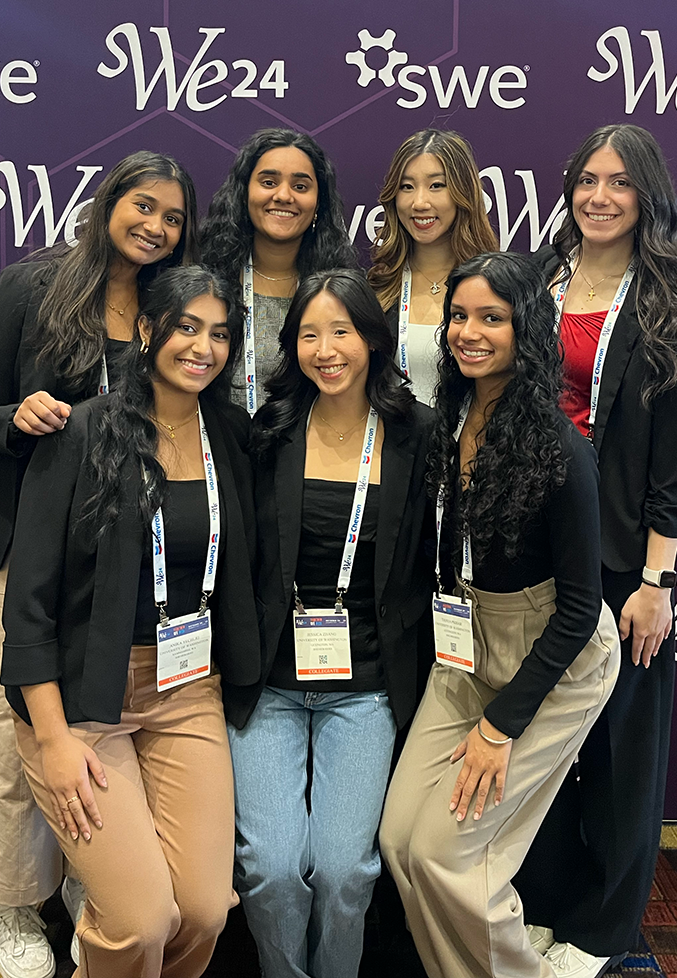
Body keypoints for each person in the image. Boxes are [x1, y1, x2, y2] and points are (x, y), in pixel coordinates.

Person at [0, 151, 196, 978]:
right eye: (143, 205)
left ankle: (88, 875)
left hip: (120, 560)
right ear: (109, 201)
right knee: (12, 728)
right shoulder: (33, 286)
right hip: (23, 547)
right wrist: (17, 418)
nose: (156, 226)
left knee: (88, 726)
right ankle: (14, 906)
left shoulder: (171, 304)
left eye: (172, 216)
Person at [0, 266, 259, 978]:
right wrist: (53, 737)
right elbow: (27, 603)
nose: (202, 346)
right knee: (142, 917)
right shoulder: (81, 430)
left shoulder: (230, 433)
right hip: (83, 699)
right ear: (147, 330)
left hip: (187, 688)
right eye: (185, 326)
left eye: (218, 333)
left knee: (206, 908)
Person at [380, 252, 620, 978]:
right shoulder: (446, 421)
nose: (469, 332)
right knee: (400, 841)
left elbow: (580, 608)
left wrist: (499, 726)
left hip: (555, 659)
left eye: (493, 318)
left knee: (451, 856)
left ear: (527, 329)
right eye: (458, 315)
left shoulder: (559, 446)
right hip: (465, 649)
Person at [513, 125, 677, 978]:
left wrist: (656, 580)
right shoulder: (533, 281)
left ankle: (602, 929)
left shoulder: (671, 306)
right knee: (541, 744)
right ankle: (545, 903)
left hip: (622, 557)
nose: (599, 195)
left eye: (619, 183)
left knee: (620, 750)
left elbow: (675, 463)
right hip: (528, 541)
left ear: (648, 199)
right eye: (586, 178)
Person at [227, 269, 435, 978]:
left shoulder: (416, 436)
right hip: (272, 683)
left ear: (373, 340)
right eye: (309, 333)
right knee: (275, 867)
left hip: (368, 684)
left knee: (348, 870)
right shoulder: (270, 433)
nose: (326, 348)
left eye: (341, 330)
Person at [199, 128, 358, 414]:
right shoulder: (205, 281)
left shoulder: (340, 291)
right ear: (244, 192)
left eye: (300, 186)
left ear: (319, 202)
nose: (284, 196)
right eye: (269, 182)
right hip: (216, 451)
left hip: (311, 452)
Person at [368, 129, 497, 406]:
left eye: (436, 185)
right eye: (406, 186)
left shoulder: (497, 286)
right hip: (395, 445)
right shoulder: (377, 288)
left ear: (464, 193)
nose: (419, 202)